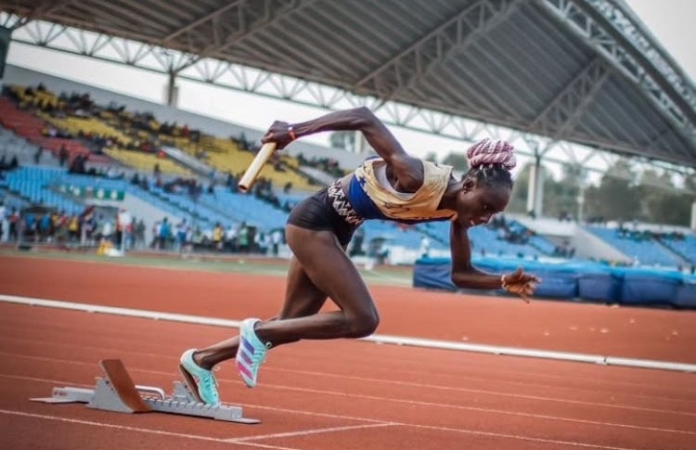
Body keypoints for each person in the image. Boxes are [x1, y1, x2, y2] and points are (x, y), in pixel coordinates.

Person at [179, 107, 541, 405]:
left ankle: (201, 360)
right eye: (484, 206)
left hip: (335, 233)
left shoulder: (456, 217)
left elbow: (460, 275)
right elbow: (364, 117)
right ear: (469, 185)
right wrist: (293, 132)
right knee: (362, 319)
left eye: (493, 215)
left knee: (290, 324)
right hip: (312, 222)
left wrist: (501, 281)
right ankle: (255, 333)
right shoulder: (415, 177)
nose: (484, 218)